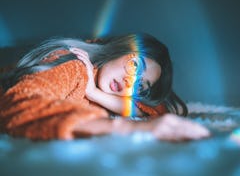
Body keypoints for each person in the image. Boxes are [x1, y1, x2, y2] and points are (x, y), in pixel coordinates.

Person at [0, 33, 210, 141]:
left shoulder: (100, 87)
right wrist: (123, 127)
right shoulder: (74, 64)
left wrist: (96, 94)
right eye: (135, 65)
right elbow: (20, 104)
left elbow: (155, 110)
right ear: (118, 49)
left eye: (140, 85)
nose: (131, 82)